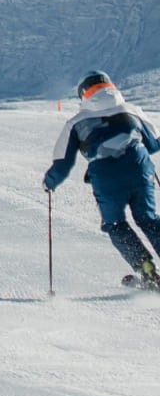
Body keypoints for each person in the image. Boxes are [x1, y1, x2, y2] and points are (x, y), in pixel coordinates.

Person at [43, 70, 160, 287]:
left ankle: (146, 268)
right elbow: (154, 143)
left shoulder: (77, 122)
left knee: (115, 224)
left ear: (84, 94)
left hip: (107, 177)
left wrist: (50, 182)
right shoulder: (132, 110)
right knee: (148, 218)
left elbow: (62, 162)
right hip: (139, 167)